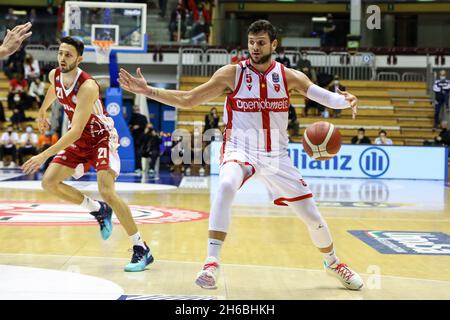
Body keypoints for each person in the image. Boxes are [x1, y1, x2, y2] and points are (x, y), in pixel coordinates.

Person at [119, 20, 363, 291]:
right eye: (251, 42)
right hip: (240, 148)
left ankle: (332, 261)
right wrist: (149, 91)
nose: (255, 48)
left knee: (312, 217)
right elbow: (189, 99)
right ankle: (211, 262)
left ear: (274, 44)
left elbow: (325, 98)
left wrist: (346, 100)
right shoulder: (232, 74)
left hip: (276, 156)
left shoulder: (289, 76)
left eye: (261, 42)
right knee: (225, 185)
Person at [21, 37, 154, 272]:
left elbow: (74, 132)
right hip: (80, 138)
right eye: (60, 53)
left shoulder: (88, 86)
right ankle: (97, 209)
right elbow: (54, 90)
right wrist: (43, 109)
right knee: (49, 182)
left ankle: (141, 247)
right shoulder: (54, 75)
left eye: (68, 55)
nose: (62, 58)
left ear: (79, 59)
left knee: (106, 190)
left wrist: (43, 155)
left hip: (100, 136)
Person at [128, 105, 148, 173]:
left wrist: (138, 127)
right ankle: (138, 168)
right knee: (137, 154)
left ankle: (139, 168)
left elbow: (145, 126)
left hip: (141, 138)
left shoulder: (143, 117)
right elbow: (129, 126)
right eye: (135, 109)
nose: (136, 111)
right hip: (135, 138)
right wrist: (133, 127)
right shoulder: (132, 117)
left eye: (136, 109)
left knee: (139, 154)